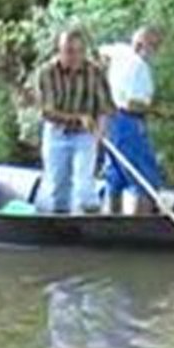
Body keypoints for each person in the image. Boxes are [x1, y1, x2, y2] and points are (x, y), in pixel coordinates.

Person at [35, 28, 113, 214]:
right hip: (56, 133)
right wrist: (79, 118)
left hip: (85, 136)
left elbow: (105, 108)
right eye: (69, 51)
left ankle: (90, 224)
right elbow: (48, 111)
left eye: (79, 51)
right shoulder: (47, 73)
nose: (75, 56)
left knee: (84, 186)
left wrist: (100, 131)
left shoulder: (95, 72)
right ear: (59, 50)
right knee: (57, 186)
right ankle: (58, 225)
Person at [99, 26, 165, 215]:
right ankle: (140, 228)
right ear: (142, 44)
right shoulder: (139, 66)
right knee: (144, 178)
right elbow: (130, 104)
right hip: (129, 124)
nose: (155, 51)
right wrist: (154, 109)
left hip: (110, 121)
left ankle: (112, 222)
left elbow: (102, 52)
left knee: (115, 175)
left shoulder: (120, 51)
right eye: (154, 46)